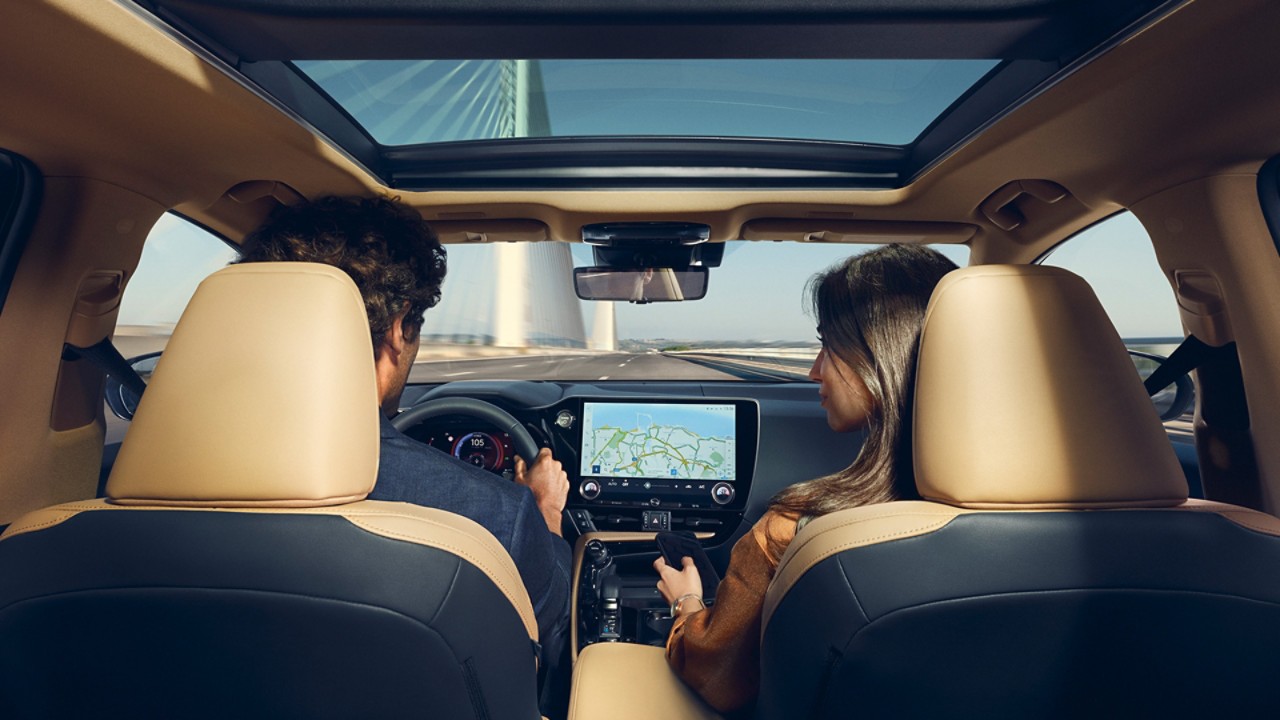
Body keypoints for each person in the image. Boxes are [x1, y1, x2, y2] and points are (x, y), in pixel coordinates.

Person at [236, 195, 572, 652]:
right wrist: (546, 514)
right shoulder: (498, 515)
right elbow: (549, 619)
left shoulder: (141, 484)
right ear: (398, 331)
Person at [651, 244, 958, 713]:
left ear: (883, 353)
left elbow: (719, 679)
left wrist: (686, 603)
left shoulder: (794, 529)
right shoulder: (1095, 534)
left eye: (828, 345)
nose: (815, 370)